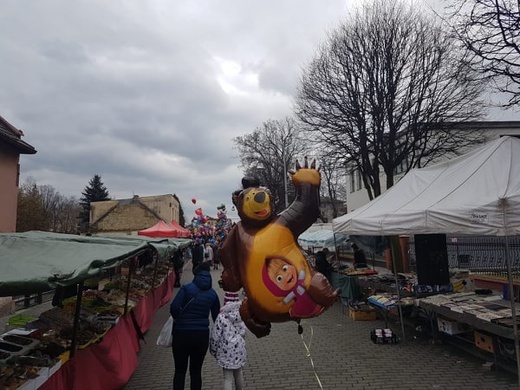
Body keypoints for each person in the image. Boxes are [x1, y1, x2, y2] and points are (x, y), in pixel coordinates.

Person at [170, 262, 220, 390]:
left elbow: (174, 308)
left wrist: (179, 318)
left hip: (181, 334)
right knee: (196, 372)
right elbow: (217, 317)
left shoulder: (186, 288)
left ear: (196, 275)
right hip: (201, 335)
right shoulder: (213, 294)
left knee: (180, 371)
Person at [210, 291, 247, 390]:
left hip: (225, 352)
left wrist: (213, 350)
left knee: (227, 378)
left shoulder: (221, 317)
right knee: (239, 374)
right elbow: (244, 332)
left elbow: (215, 336)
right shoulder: (242, 315)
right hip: (238, 350)